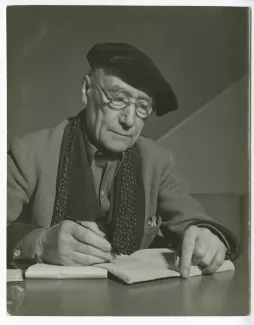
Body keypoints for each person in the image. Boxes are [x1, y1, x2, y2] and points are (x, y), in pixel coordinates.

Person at [7, 43, 240, 278]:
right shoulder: (30, 153)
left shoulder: (157, 161)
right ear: (87, 89)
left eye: (142, 107)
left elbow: (194, 219)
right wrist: (39, 244)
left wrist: (206, 236)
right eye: (118, 99)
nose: (129, 121)